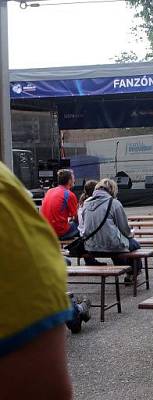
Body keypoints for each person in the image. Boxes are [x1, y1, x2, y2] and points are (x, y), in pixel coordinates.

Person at [0, 162, 74, 399]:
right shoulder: (7, 200)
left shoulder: (51, 191)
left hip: (47, 229)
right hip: (58, 232)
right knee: (82, 231)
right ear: (70, 181)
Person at [81, 178, 142, 282]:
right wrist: (130, 234)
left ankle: (125, 268)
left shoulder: (86, 204)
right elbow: (124, 229)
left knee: (114, 241)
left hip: (90, 246)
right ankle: (132, 273)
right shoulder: (114, 203)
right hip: (111, 246)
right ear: (112, 190)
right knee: (134, 245)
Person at [40, 169, 79, 240]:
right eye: (73, 178)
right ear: (69, 181)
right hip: (59, 232)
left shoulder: (49, 191)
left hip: (47, 231)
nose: (74, 180)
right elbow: (76, 217)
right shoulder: (69, 194)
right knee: (81, 226)